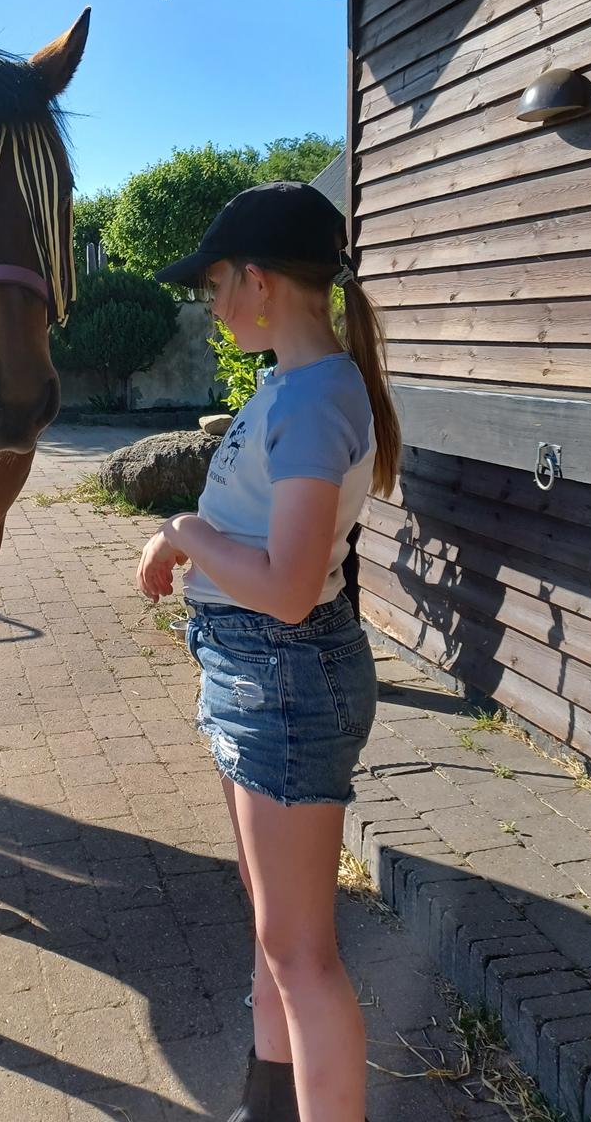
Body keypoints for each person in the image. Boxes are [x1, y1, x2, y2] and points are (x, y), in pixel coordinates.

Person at [136, 181, 400, 1122]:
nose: (210, 304)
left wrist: (182, 532)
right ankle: (267, 1099)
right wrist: (185, 540)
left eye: (214, 284)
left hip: (281, 677)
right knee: (273, 923)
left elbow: (288, 587)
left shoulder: (318, 397)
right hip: (254, 672)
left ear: (257, 281)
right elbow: (259, 534)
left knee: (301, 953)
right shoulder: (293, 386)